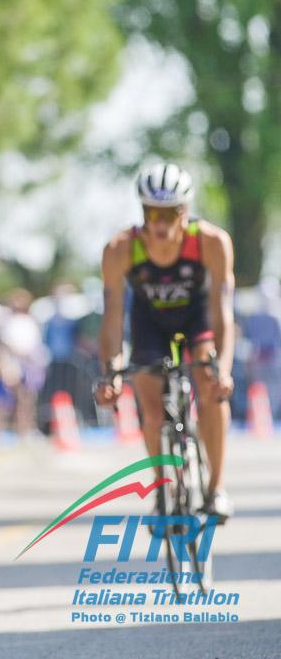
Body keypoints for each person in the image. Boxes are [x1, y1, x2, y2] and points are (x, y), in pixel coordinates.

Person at [95, 162, 235, 521]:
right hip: (149, 323)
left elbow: (223, 314)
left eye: (168, 213)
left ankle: (215, 488)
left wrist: (224, 370)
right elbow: (112, 320)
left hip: (197, 318)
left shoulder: (211, 243)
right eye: (150, 212)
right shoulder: (120, 248)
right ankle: (164, 491)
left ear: (184, 211)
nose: (158, 223)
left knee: (209, 385)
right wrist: (110, 373)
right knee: (150, 404)